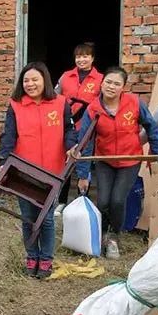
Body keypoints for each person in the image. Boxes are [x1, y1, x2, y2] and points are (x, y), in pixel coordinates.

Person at [75, 66, 158, 259]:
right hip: (105, 160)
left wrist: (156, 157)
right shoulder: (93, 109)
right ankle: (102, 233)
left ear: (123, 87)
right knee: (104, 200)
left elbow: (152, 128)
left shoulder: (134, 103)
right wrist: (83, 174)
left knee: (117, 200)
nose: (111, 86)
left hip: (129, 160)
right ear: (101, 82)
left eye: (117, 83)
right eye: (108, 82)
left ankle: (114, 237)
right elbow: (85, 142)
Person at [0, 62, 78, 279]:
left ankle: (46, 259)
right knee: (27, 217)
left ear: (45, 80)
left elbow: (70, 129)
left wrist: (72, 146)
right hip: (23, 171)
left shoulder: (60, 103)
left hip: (52, 172)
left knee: (47, 218)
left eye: (35, 79)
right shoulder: (15, 105)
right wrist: (3, 162)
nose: (30, 84)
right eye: (26, 80)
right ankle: (31, 256)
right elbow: (9, 136)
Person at [55, 42, 103, 215]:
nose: (81, 60)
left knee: (84, 162)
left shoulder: (100, 79)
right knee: (65, 161)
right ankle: (61, 201)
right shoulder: (65, 77)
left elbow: (102, 103)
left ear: (92, 58)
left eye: (85, 56)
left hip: (87, 128)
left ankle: (83, 200)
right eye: (78, 56)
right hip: (66, 125)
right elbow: (55, 97)